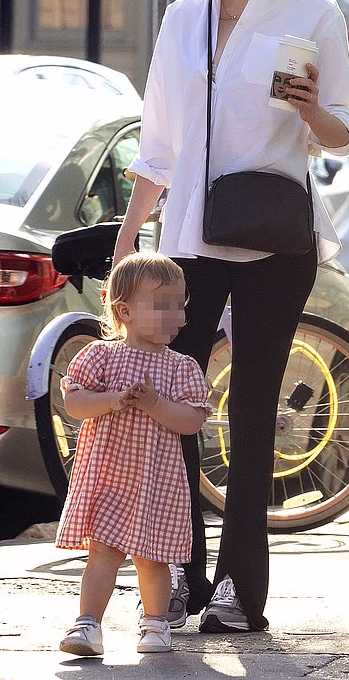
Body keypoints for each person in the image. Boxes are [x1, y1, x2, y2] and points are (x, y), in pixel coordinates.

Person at [114, 0, 349, 633]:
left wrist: (310, 110)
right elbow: (159, 141)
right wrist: (129, 237)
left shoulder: (313, 13)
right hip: (189, 241)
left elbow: (346, 130)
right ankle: (178, 574)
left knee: (255, 415)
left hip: (273, 243)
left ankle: (237, 589)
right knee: (174, 410)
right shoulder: (181, 19)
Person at [56, 252, 211, 656]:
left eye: (179, 305)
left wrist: (155, 403)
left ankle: (156, 623)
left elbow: (191, 421)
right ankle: (88, 624)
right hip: (108, 475)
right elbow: (75, 403)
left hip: (156, 481)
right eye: (163, 306)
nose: (176, 316)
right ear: (124, 311)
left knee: (152, 557)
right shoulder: (100, 356)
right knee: (102, 551)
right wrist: (111, 400)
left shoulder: (181, 367)